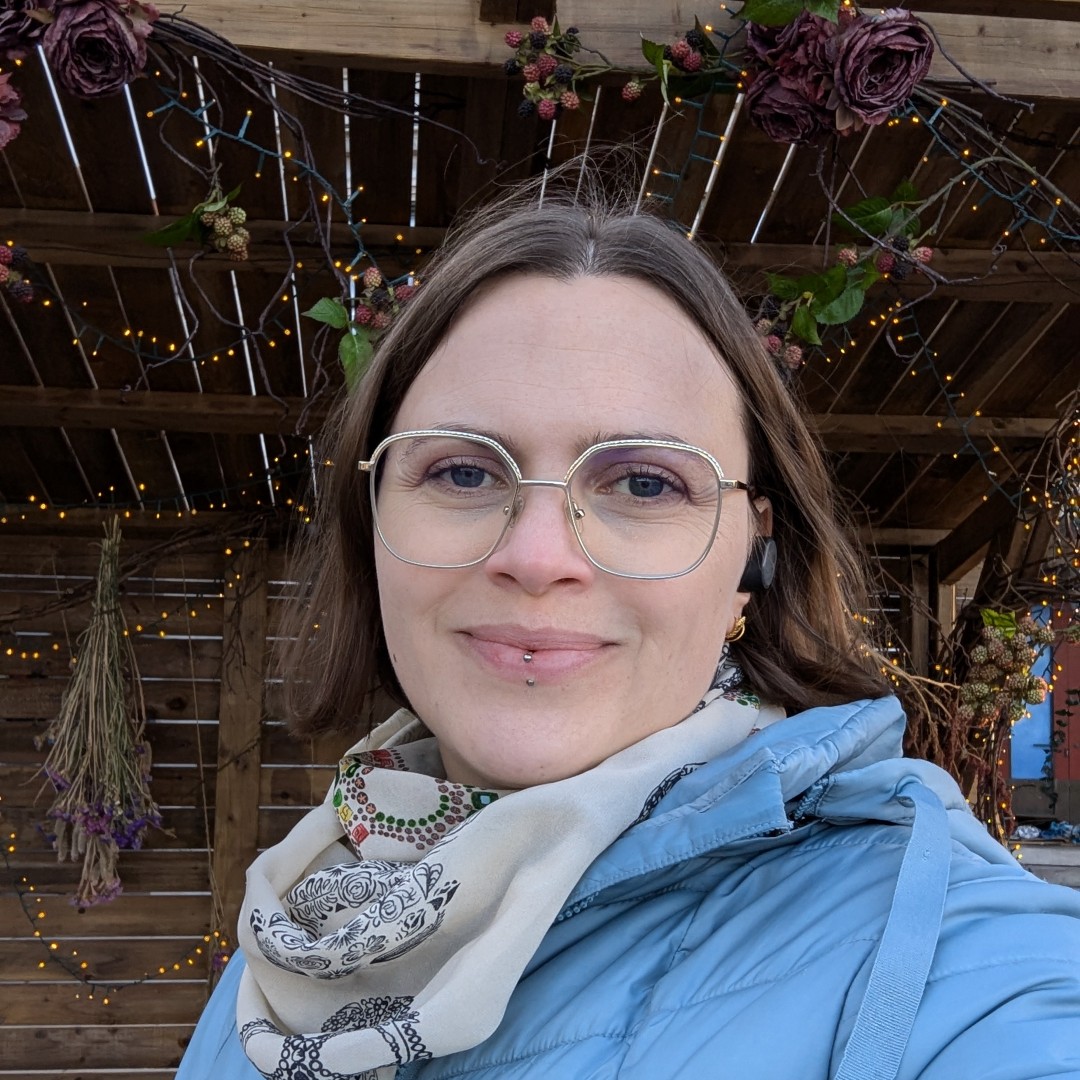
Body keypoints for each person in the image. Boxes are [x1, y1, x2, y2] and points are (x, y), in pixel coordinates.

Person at [178, 184, 1080, 1080]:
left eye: (645, 483)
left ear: (752, 557)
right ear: (371, 525)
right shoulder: (289, 936)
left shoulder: (944, 958)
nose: (537, 557)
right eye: (462, 473)